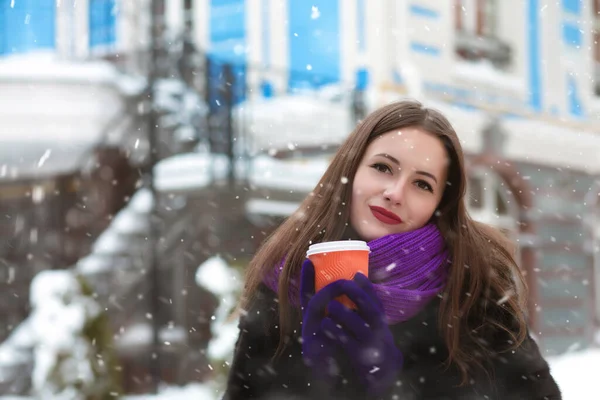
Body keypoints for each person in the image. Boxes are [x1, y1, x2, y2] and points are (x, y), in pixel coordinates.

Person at [222, 101, 562, 399]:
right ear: (351, 170)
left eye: (422, 184)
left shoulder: (472, 288)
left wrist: (392, 388)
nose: (395, 192)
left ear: (439, 205)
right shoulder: (284, 280)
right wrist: (319, 385)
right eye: (383, 167)